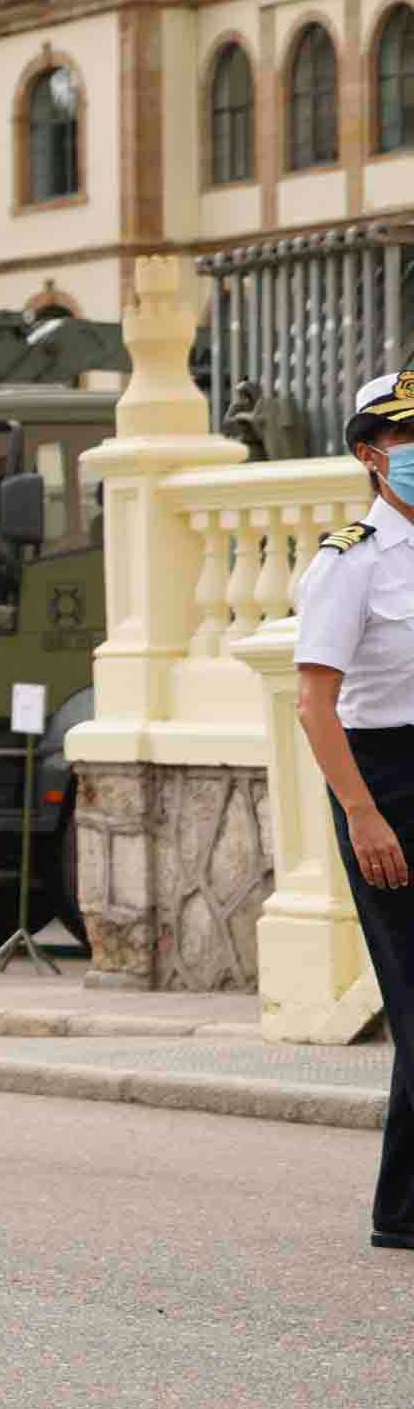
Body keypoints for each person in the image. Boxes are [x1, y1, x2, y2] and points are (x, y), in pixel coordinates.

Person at [290, 369, 414, 1254]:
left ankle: (401, 1211)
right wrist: (363, 815)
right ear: (373, 457)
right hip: (384, 783)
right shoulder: (349, 562)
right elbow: (313, 705)